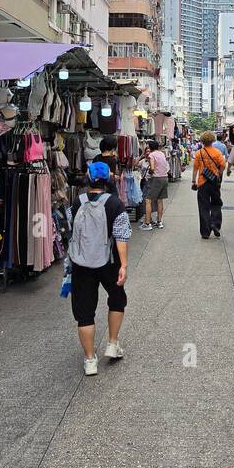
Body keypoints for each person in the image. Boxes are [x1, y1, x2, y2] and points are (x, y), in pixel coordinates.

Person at [68, 160, 131, 376]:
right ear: (108, 179)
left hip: (81, 263)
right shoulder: (115, 204)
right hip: (109, 262)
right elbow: (121, 236)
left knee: (84, 311)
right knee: (116, 299)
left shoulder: (77, 202)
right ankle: (112, 344)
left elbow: (71, 229)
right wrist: (123, 264)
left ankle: (89, 360)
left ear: (88, 178)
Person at [192, 129, 226, 239]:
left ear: (202, 141)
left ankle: (205, 232)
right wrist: (218, 175)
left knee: (203, 207)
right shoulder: (217, 152)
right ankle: (215, 223)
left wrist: (193, 181)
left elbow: (195, 169)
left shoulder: (199, 153)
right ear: (212, 140)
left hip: (202, 182)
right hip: (214, 183)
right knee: (216, 203)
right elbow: (223, 165)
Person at [140, 141, 170, 230]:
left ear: (150, 147)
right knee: (160, 200)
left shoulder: (151, 155)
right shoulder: (161, 154)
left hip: (155, 178)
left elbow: (152, 168)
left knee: (148, 200)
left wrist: (150, 172)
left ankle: (148, 223)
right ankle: (159, 222)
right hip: (164, 178)